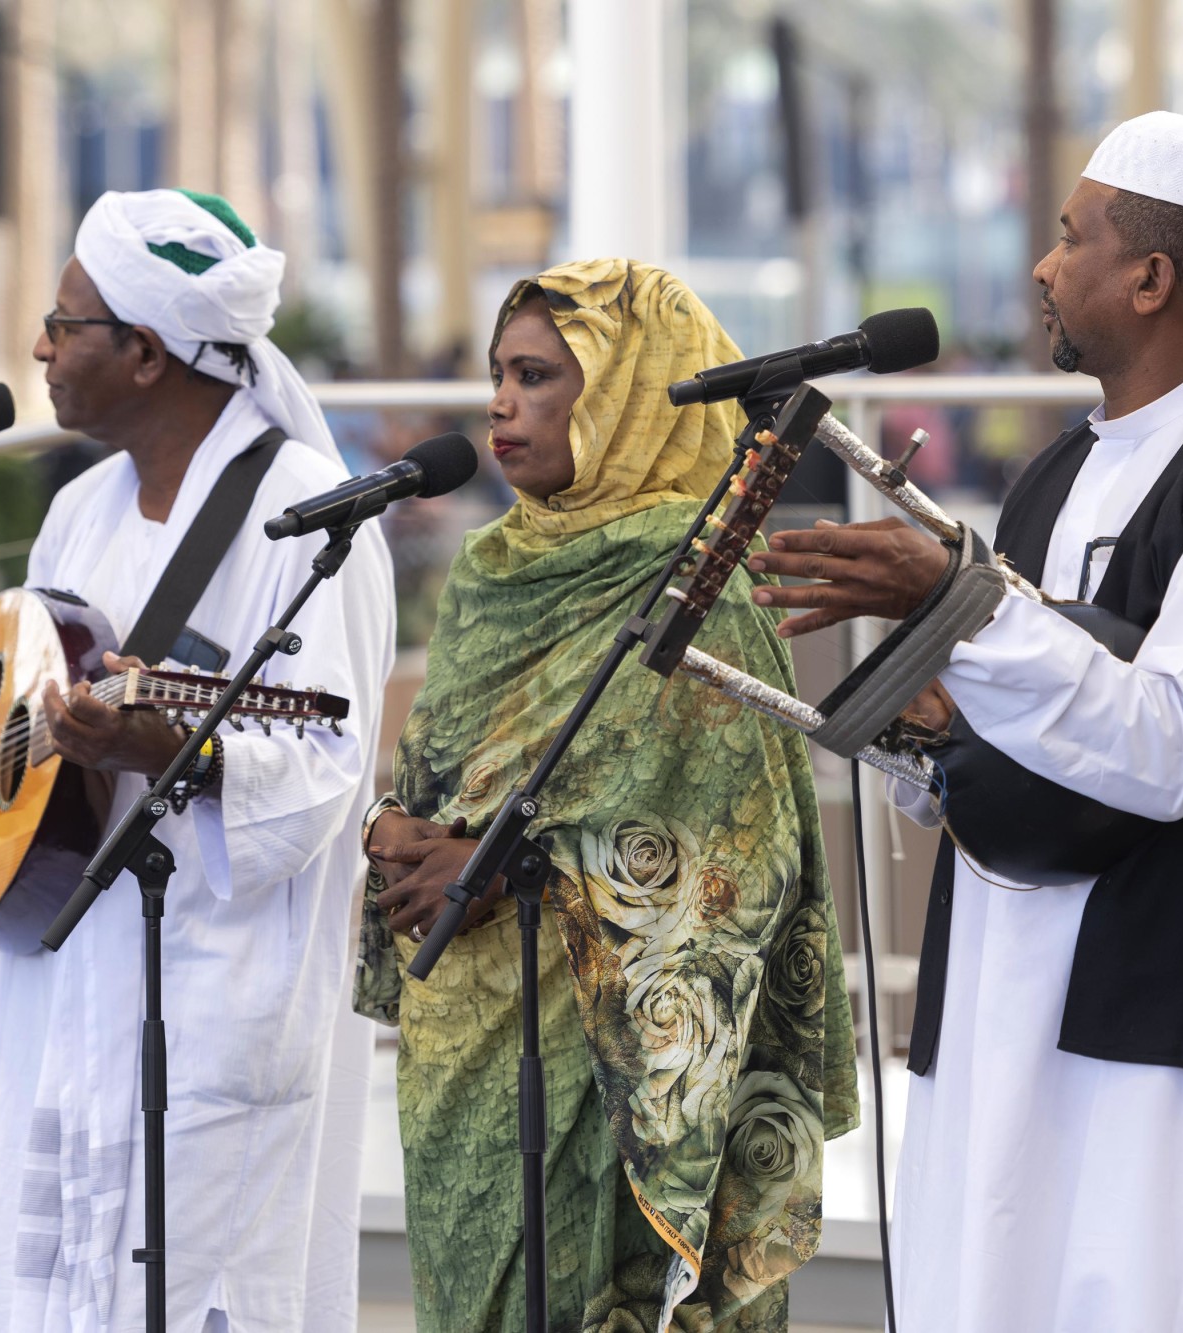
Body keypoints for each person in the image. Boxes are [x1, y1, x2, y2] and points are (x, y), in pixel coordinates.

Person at [750, 112, 1183, 1332]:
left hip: (1178, 1041)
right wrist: (921, 731)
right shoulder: (1051, 476)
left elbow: (1169, 746)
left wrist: (959, 608)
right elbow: (1020, 746)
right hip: (1000, 1017)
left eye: (1069, 236)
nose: (1042, 265)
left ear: (1148, 279)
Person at [0, 189, 395, 1332]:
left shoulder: (308, 513)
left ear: (146, 354)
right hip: (63, 978)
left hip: (210, 984)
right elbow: (34, 715)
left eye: (63, 326)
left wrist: (180, 754)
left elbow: (324, 764)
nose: (39, 349)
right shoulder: (79, 511)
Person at [356, 258, 858, 1331]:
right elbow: (445, 777)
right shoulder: (491, 573)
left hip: (602, 1077)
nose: (498, 402)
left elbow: (739, 871)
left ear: (632, 393)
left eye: (537, 374)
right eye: (497, 371)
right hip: (467, 1059)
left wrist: (511, 868)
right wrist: (395, 832)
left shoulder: (700, 598)